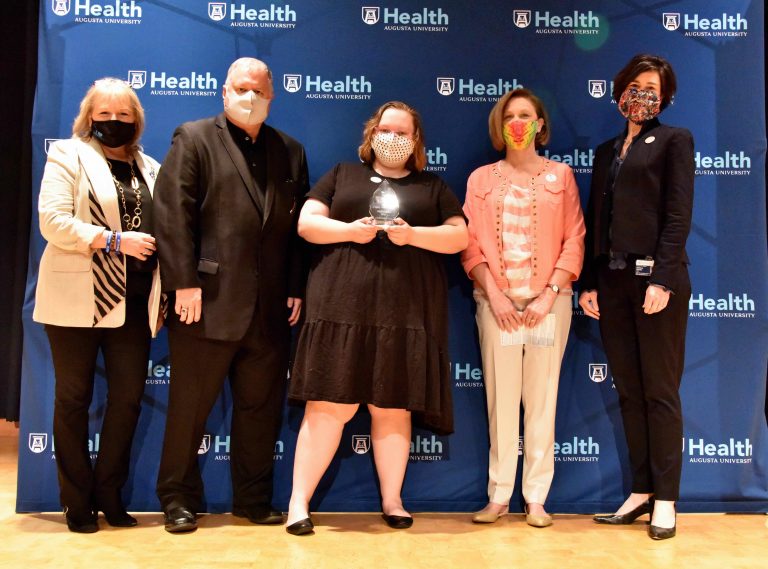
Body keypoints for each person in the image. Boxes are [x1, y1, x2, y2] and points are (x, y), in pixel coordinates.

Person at [285, 101, 468, 535]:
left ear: (416, 141)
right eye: (386, 129)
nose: (394, 137)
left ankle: (392, 500)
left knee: (392, 406)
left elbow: (459, 235)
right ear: (371, 134)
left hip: (405, 314)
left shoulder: (432, 186)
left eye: (403, 132)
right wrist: (351, 230)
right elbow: (308, 225)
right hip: (340, 307)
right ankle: (298, 503)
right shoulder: (342, 174)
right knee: (329, 404)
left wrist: (413, 235)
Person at [153, 58, 308, 533]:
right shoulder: (194, 137)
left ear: (272, 95)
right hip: (204, 301)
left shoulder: (291, 151)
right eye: (241, 88)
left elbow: (296, 228)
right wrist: (182, 282)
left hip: (269, 309)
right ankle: (178, 497)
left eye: (258, 90)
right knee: (189, 407)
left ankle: (254, 499)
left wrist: (296, 287)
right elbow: (172, 213)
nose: (250, 97)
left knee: (260, 411)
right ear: (224, 92)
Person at [34, 78, 162, 533]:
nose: (114, 122)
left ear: (137, 121)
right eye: (104, 115)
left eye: (124, 115)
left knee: (127, 402)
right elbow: (52, 220)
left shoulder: (152, 167)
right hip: (75, 300)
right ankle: (76, 500)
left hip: (133, 303)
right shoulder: (67, 155)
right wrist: (111, 240)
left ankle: (110, 494)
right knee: (73, 400)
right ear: (89, 117)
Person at [579, 54, 693, 540]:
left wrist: (663, 280)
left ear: (665, 97)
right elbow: (596, 219)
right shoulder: (606, 151)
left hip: (656, 282)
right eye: (635, 85)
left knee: (660, 392)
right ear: (619, 90)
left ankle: (666, 499)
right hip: (612, 281)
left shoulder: (674, 141)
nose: (642, 95)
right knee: (628, 391)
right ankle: (641, 491)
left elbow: (677, 215)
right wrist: (588, 281)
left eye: (653, 88)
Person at [461, 88, 585, 528]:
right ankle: (498, 495)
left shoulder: (561, 176)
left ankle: (535, 498)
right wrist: (494, 295)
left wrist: (550, 293)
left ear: (540, 124)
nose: (518, 122)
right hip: (497, 306)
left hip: (549, 306)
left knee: (542, 400)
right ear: (500, 126)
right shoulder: (480, 180)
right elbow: (469, 243)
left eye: (526, 115)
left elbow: (575, 237)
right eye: (510, 115)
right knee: (501, 400)